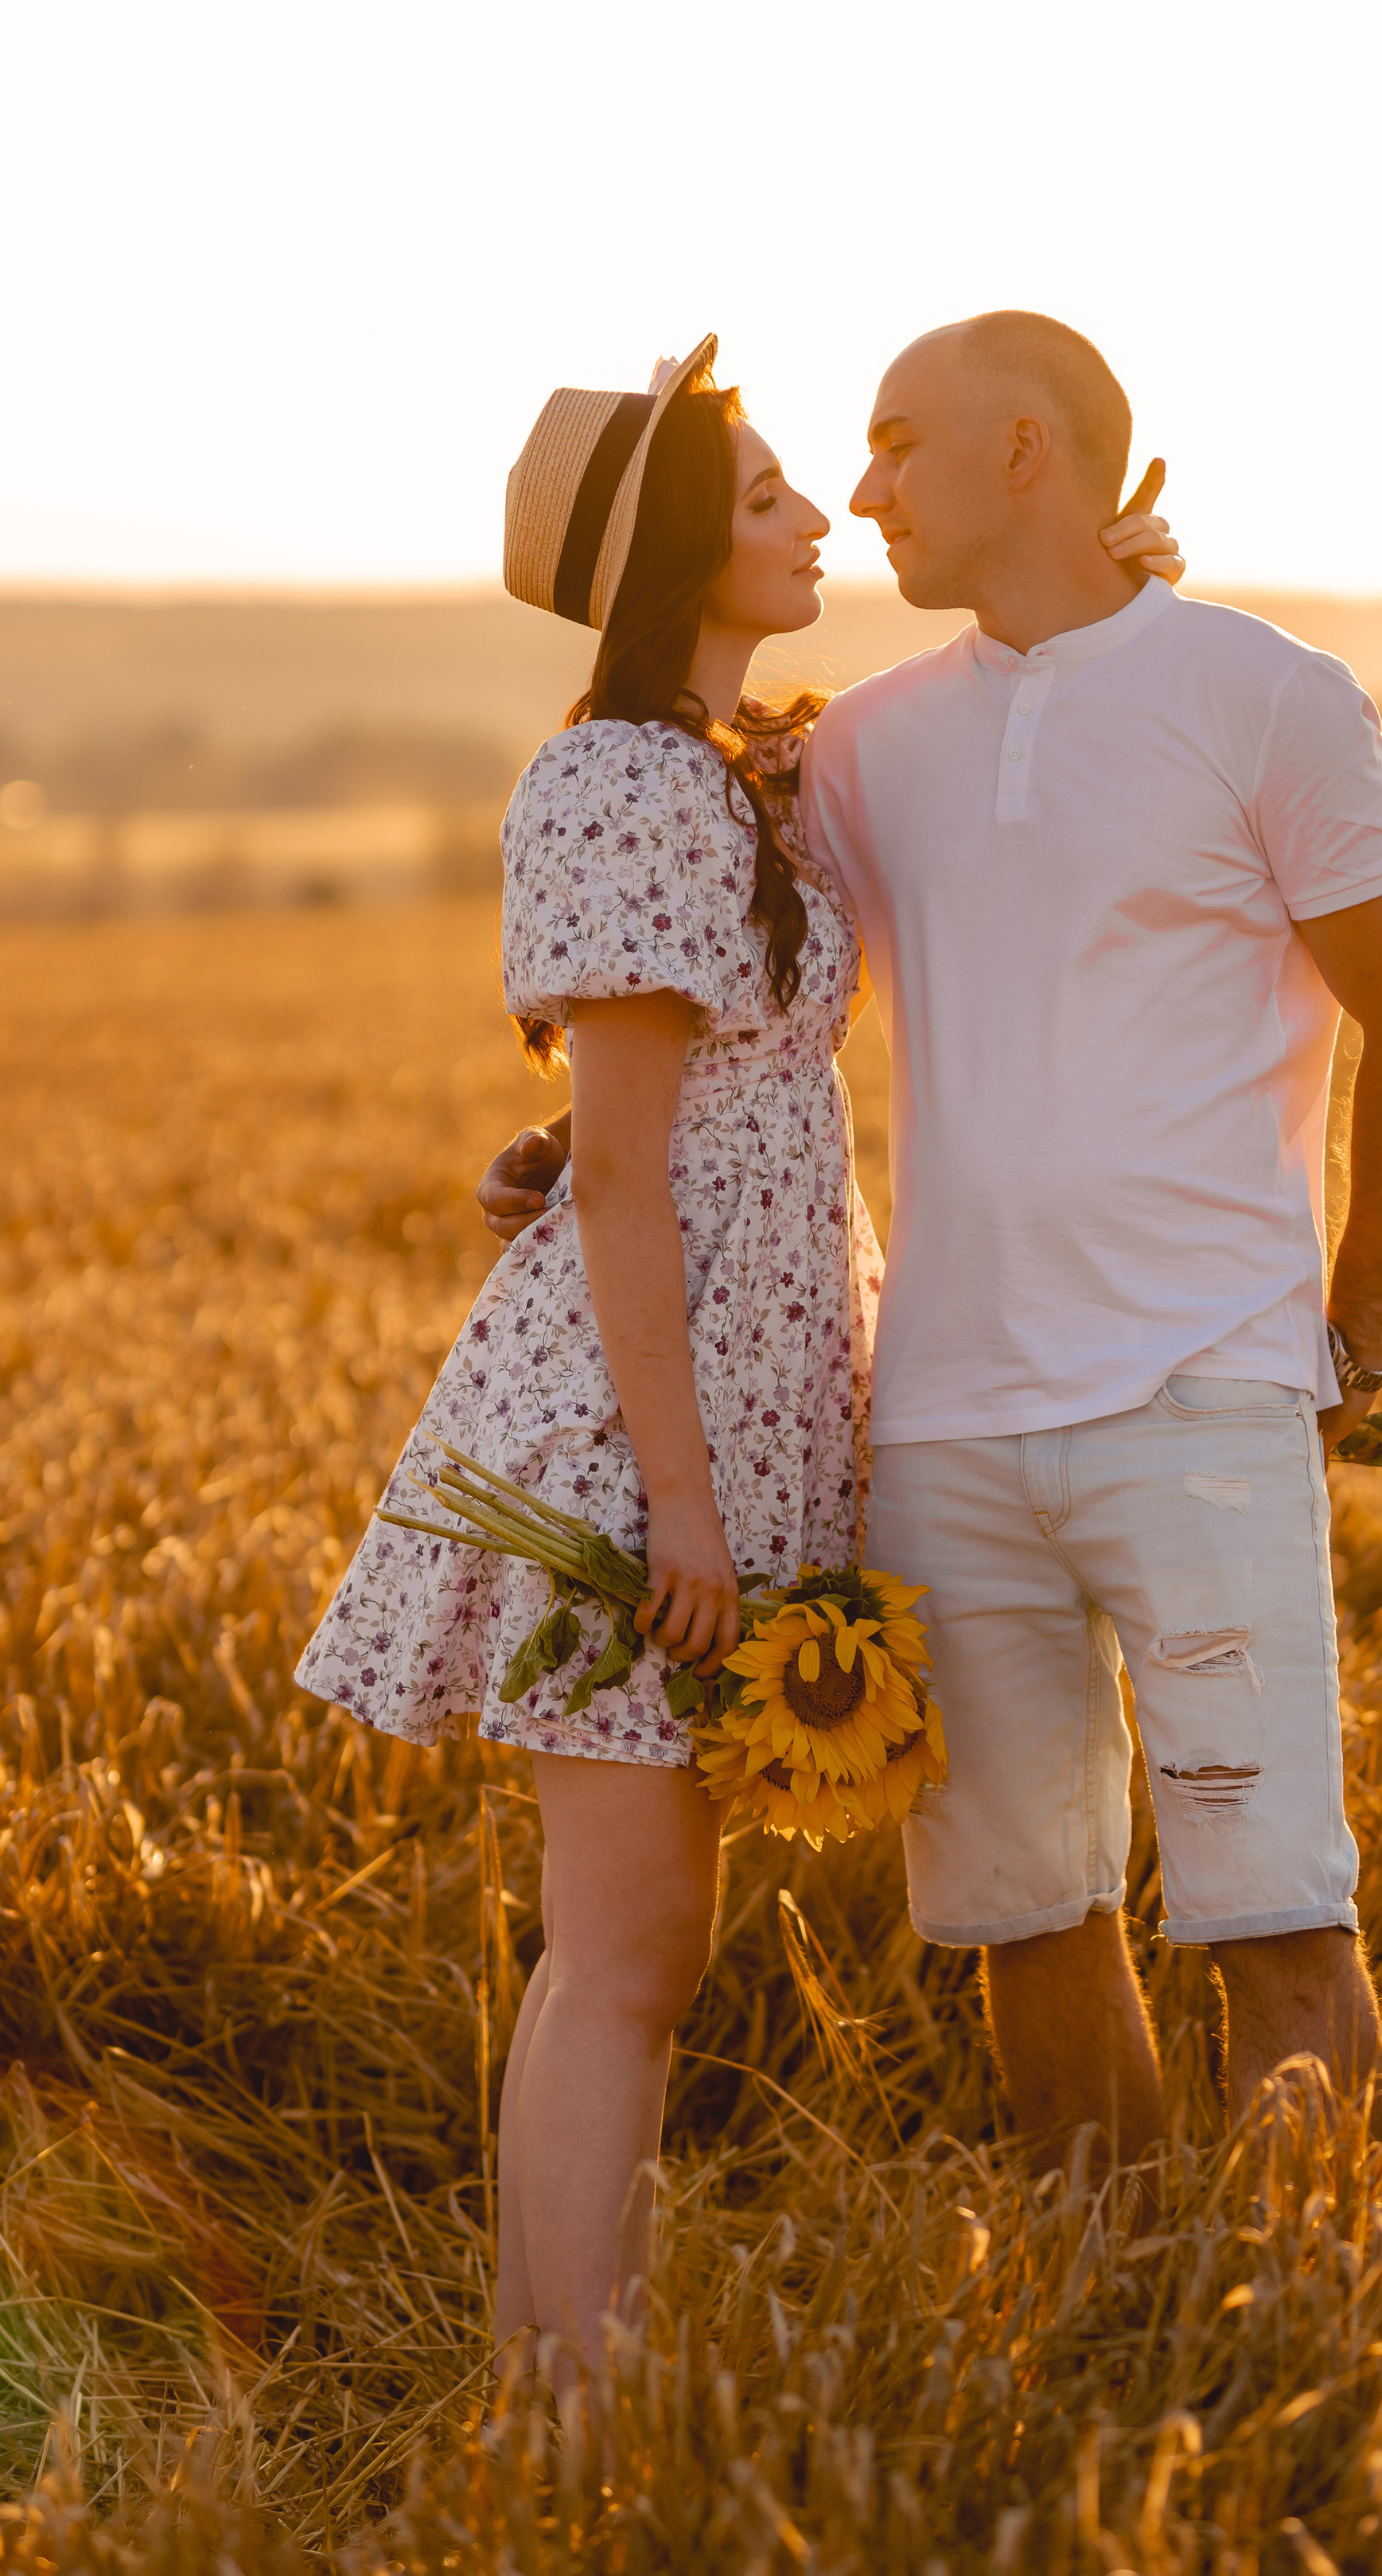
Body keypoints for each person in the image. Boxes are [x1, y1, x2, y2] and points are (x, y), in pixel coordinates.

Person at [481, 311, 1382, 2170]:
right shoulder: (862, 746)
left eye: (893, 444)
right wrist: (572, 1137)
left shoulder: (1267, 694)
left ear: (1028, 451)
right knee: (1028, 1918)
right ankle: (1132, 2328)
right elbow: (716, 992)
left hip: (1198, 1396)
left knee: (1273, 1915)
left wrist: (1350, 1339)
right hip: (935, 1420)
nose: (858, 494)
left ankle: (1345, 2341)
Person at [296, 337, 1180, 2391]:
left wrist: (1101, 568)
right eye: (772, 492)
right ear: (681, 547)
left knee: (640, 1954)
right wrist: (686, 1509)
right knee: (624, 1957)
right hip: (633, 1446)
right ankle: (569, 2406)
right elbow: (616, 1177)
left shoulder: (744, 765)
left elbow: (942, 747)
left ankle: (554, 2381)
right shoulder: (613, 780)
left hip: (727, 1416)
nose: (819, 520)